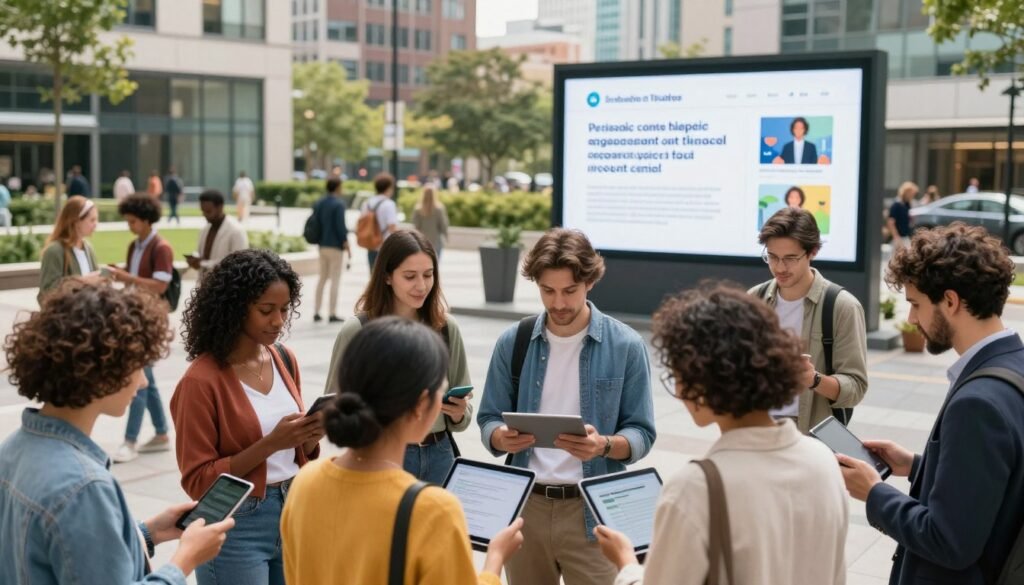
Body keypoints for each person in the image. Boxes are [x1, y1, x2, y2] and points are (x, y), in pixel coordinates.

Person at [595, 283, 849, 585]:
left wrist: (625, 563)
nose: (677, 390)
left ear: (703, 380)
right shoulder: (822, 459)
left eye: (677, 375)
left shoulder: (694, 489)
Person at [0, 281, 234, 585]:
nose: (144, 383)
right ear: (104, 370)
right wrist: (184, 560)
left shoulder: (11, 451)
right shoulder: (83, 488)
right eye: (139, 368)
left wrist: (147, 532)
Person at [839, 223, 1024, 585]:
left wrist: (874, 493)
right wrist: (918, 465)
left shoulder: (977, 404)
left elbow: (949, 541)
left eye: (915, 304)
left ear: (951, 301)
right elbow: (997, 480)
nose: (911, 319)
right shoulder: (1014, 363)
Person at [283, 317, 524, 583]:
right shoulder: (433, 510)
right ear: (421, 405)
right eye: (441, 390)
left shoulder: (306, 482)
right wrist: (495, 559)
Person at [478, 228, 657, 585]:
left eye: (569, 291)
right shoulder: (513, 342)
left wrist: (603, 445)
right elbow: (487, 418)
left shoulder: (626, 345)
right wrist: (500, 437)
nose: (558, 303)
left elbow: (642, 433)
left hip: (592, 511)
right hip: (527, 510)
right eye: (548, 291)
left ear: (589, 282)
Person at [172, 249, 323, 585]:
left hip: (293, 509)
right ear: (235, 309)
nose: (278, 321)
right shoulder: (201, 381)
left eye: (285, 309)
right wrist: (270, 444)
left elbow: (295, 453)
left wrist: (310, 436)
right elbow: (197, 480)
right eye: (266, 310)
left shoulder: (284, 358)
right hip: (235, 522)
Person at [324, 230, 473, 484]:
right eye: (410, 276)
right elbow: (331, 406)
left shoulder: (446, 327)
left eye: (428, 275)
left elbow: (464, 409)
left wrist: (459, 412)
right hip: (381, 456)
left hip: (441, 455)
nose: (422, 285)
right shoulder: (358, 330)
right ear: (387, 277)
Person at [750, 208, 868, 432]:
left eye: (790, 258)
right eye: (772, 257)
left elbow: (856, 388)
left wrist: (813, 379)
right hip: (758, 428)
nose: (779, 267)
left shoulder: (842, 306)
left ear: (812, 251)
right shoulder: (754, 299)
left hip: (811, 436)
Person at [107, 195, 175, 463]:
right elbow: (138, 276)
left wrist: (126, 277)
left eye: (133, 221)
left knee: (138, 380)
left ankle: (130, 440)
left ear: (146, 220)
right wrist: (121, 271)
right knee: (147, 379)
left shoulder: (161, 247)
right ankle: (161, 433)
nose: (130, 226)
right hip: (135, 318)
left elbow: (160, 286)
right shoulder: (135, 245)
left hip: (150, 321)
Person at [38, 195, 102, 302]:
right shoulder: (54, 251)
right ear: (76, 221)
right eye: (92, 220)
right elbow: (46, 293)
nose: (96, 224)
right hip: (66, 317)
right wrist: (82, 282)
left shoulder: (88, 248)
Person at [186, 189, 249, 280]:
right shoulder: (205, 229)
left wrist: (203, 264)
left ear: (220, 207)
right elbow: (201, 255)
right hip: (205, 285)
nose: (204, 215)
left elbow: (238, 263)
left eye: (208, 211)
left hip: (226, 287)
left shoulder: (236, 230)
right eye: (202, 211)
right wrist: (195, 260)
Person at [312, 177, 350, 323]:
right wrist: (347, 245)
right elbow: (341, 228)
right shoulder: (338, 205)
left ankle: (316, 311)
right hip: (335, 246)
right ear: (338, 187)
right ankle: (332, 313)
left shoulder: (319, 203)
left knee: (322, 278)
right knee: (335, 279)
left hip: (322, 245)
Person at [362, 172, 399, 269]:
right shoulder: (389, 204)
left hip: (371, 244)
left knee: (373, 276)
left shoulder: (367, 203)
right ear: (389, 187)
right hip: (385, 246)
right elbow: (392, 227)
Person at [412, 186, 450, 258]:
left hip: (422, 240)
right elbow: (443, 225)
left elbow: (416, 226)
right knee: (436, 263)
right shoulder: (439, 209)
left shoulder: (418, 209)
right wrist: (446, 236)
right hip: (436, 240)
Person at [888, 181, 917, 251]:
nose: (912, 196)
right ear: (906, 192)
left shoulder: (908, 205)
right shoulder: (896, 205)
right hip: (898, 238)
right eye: (911, 194)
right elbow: (890, 222)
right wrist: (896, 237)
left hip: (905, 236)